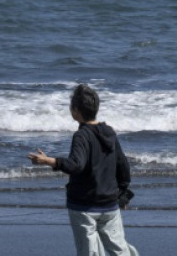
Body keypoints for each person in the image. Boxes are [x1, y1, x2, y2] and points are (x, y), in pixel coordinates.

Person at [28, 84, 138, 256]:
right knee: (119, 249)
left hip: (84, 205)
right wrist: (123, 193)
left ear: (76, 112)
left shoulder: (82, 135)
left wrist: (48, 161)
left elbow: (75, 165)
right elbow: (123, 165)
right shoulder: (109, 132)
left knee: (90, 252)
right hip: (109, 204)